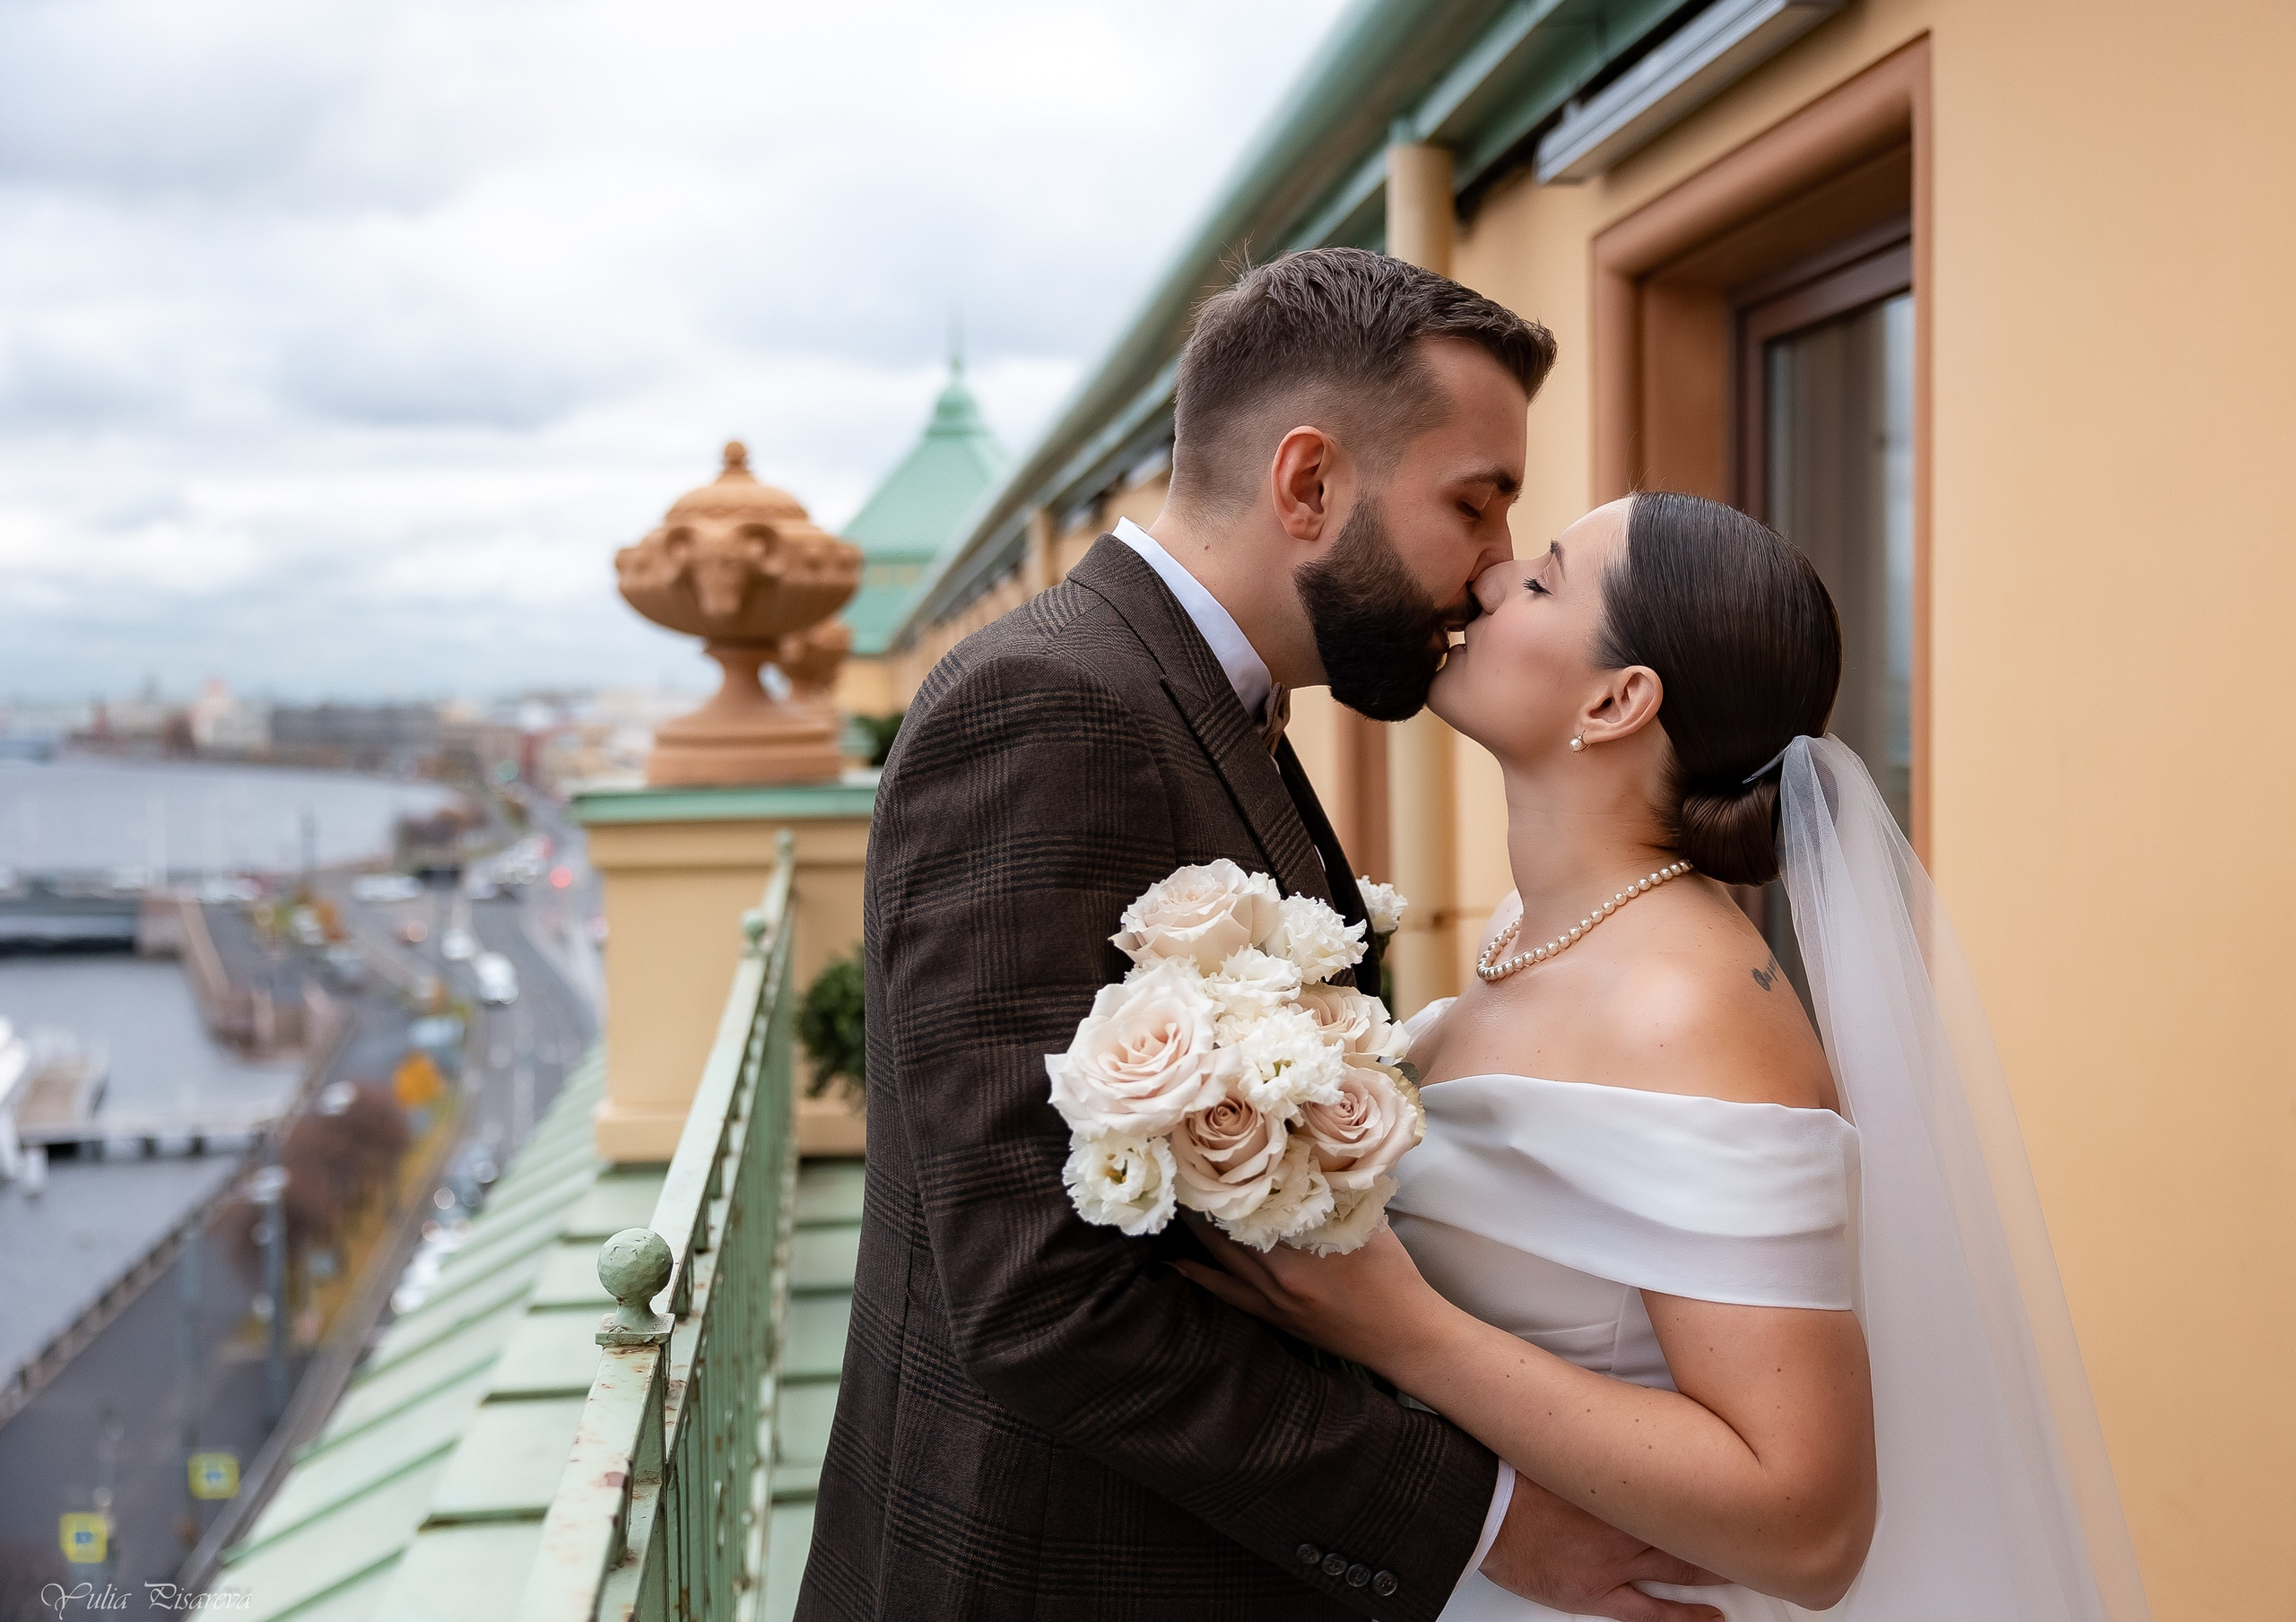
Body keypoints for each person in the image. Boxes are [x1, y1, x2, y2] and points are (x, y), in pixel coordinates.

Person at [797, 249, 1740, 1621]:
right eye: (1474, 506)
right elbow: (1037, 1295)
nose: (1490, 577)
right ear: (1310, 484)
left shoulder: (1198, 698)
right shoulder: (1054, 707)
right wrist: (1481, 1522)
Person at [1179, 492, 2152, 1621]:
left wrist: (1402, 1331)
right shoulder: (1520, 935)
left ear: (1616, 699)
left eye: (1541, 579)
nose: (1489, 579)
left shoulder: (1683, 1009)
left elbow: (1811, 1528)